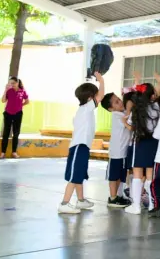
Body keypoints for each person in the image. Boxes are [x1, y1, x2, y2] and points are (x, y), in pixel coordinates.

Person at [124, 67, 160, 215]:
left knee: (137, 175)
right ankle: (153, 204)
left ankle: (136, 206)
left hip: (139, 143)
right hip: (154, 143)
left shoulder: (136, 110)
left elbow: (131, 127)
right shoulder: (157, 107)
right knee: (151, 176)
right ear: (152, 96)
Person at [58, 72, 104, 214]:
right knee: (74, 177)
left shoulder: (84, 110)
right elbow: (101, 96)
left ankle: (81, 200)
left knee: (79, 175)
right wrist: (101, 80)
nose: (97, 98)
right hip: (79, 147)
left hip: (82, 147)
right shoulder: (86, 108)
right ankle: (64, 203)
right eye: (95, 95)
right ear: (90, 98)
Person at [101, 91, 132, 208]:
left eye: (119, 99)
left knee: (120, 175)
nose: (120, 102)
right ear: (110, 109)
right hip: (116, 152)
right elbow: (128, 119)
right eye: (116, 102)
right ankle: (112, 198)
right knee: (113, 176)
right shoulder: (117, 115)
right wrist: (129, 106)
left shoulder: (121, 113)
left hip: (123, 151)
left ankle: (117, 196)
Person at [0, 77, 29, 159]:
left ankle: (14, 152)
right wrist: (5, 90)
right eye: (10, 83)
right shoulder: (9, 91)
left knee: (16, 134)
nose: (12, 85)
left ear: (17, 83)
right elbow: (3, 100)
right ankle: (3, 152)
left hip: (18, 114)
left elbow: (27, 101)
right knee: (6, 133)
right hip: (8, 114)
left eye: (13, 83)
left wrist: (20, 106)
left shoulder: (22, 91)